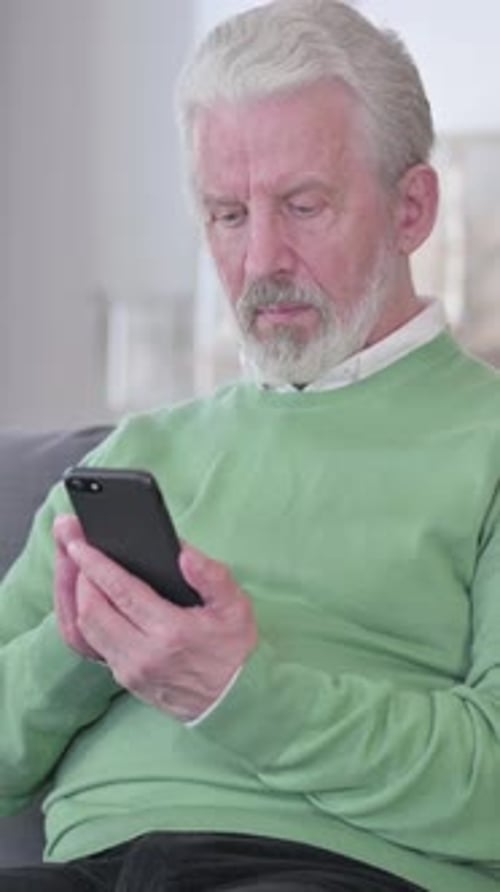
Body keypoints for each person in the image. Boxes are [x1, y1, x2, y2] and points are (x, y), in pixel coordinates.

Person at [1, 1, 499, 890]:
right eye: (228, 215)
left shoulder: (487, 445)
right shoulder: (136, 452)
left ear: (412, 207)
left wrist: (238, 690)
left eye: (303, 206)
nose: (261, 258)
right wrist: (77, 651)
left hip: (318, 869)